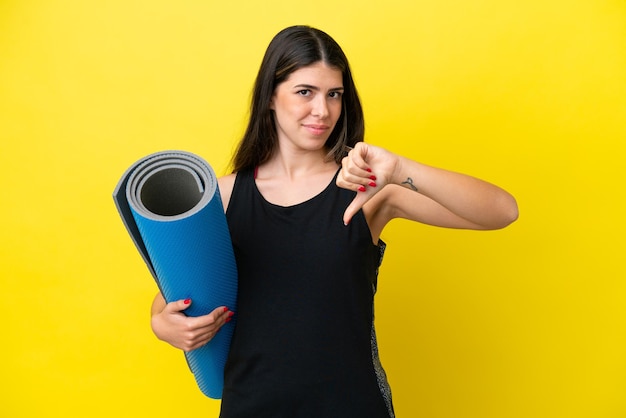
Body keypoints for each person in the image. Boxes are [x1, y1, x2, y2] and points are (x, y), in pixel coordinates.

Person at [150, 25, 518, 417]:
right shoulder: (221, 199)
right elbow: (170, 300)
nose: (322, 111)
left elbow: (502, 211)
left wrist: (401, 169)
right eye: (305, 92)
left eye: (334, 95)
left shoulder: (370, 189)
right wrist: (163, 326)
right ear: (271, 97)